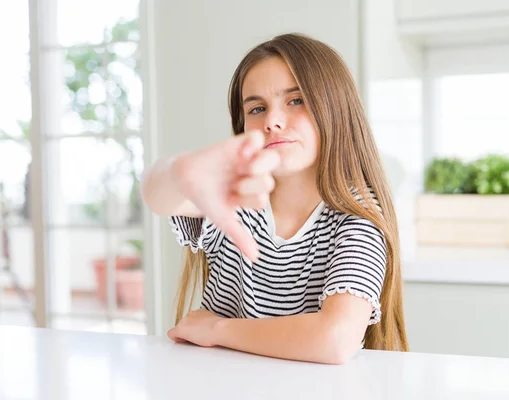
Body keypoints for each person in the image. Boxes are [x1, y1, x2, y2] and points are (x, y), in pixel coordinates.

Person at [141, 33, 408, 364]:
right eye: (256, 108)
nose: (272, 121)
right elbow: (157, 196)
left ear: (336, 109)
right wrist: (179, 173)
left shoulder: (357, 218)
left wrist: (218, 330)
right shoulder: (236, 199)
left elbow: (335, 339)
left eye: (296, 101)